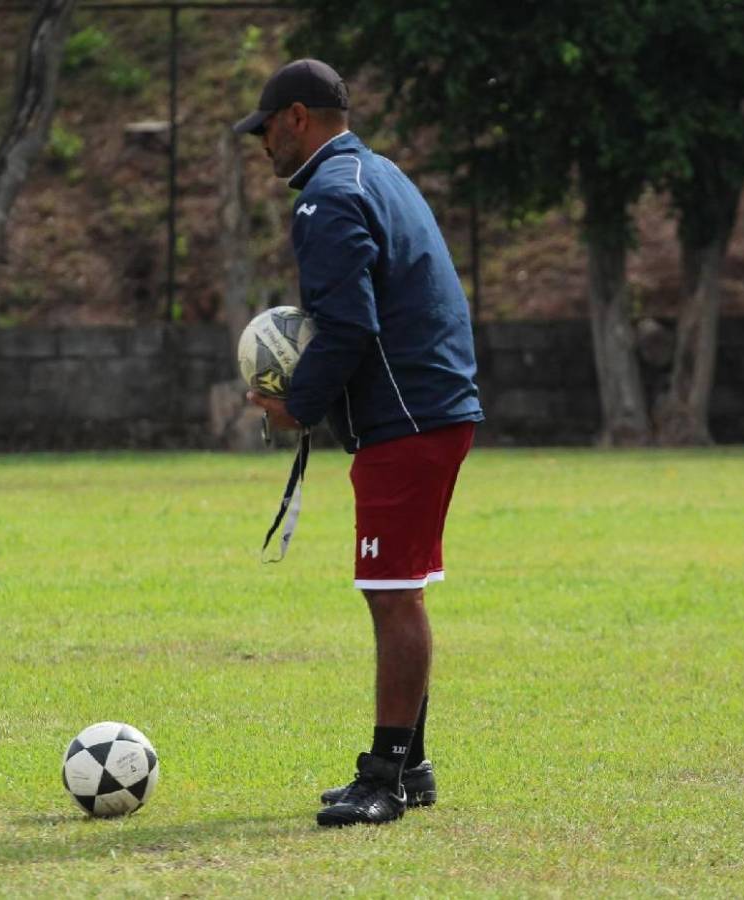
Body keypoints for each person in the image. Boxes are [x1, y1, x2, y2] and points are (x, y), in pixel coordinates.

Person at [233, 58, 484, 828]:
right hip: (432, 405)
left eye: (268, 130)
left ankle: (384, 778)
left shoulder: (328, 199)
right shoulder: (381, 175)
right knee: (396, 590)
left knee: (391, 593)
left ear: (298, 117)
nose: (264, 146)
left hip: (408, 416)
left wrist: (296, 406)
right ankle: (411, 764)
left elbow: (349, 326)